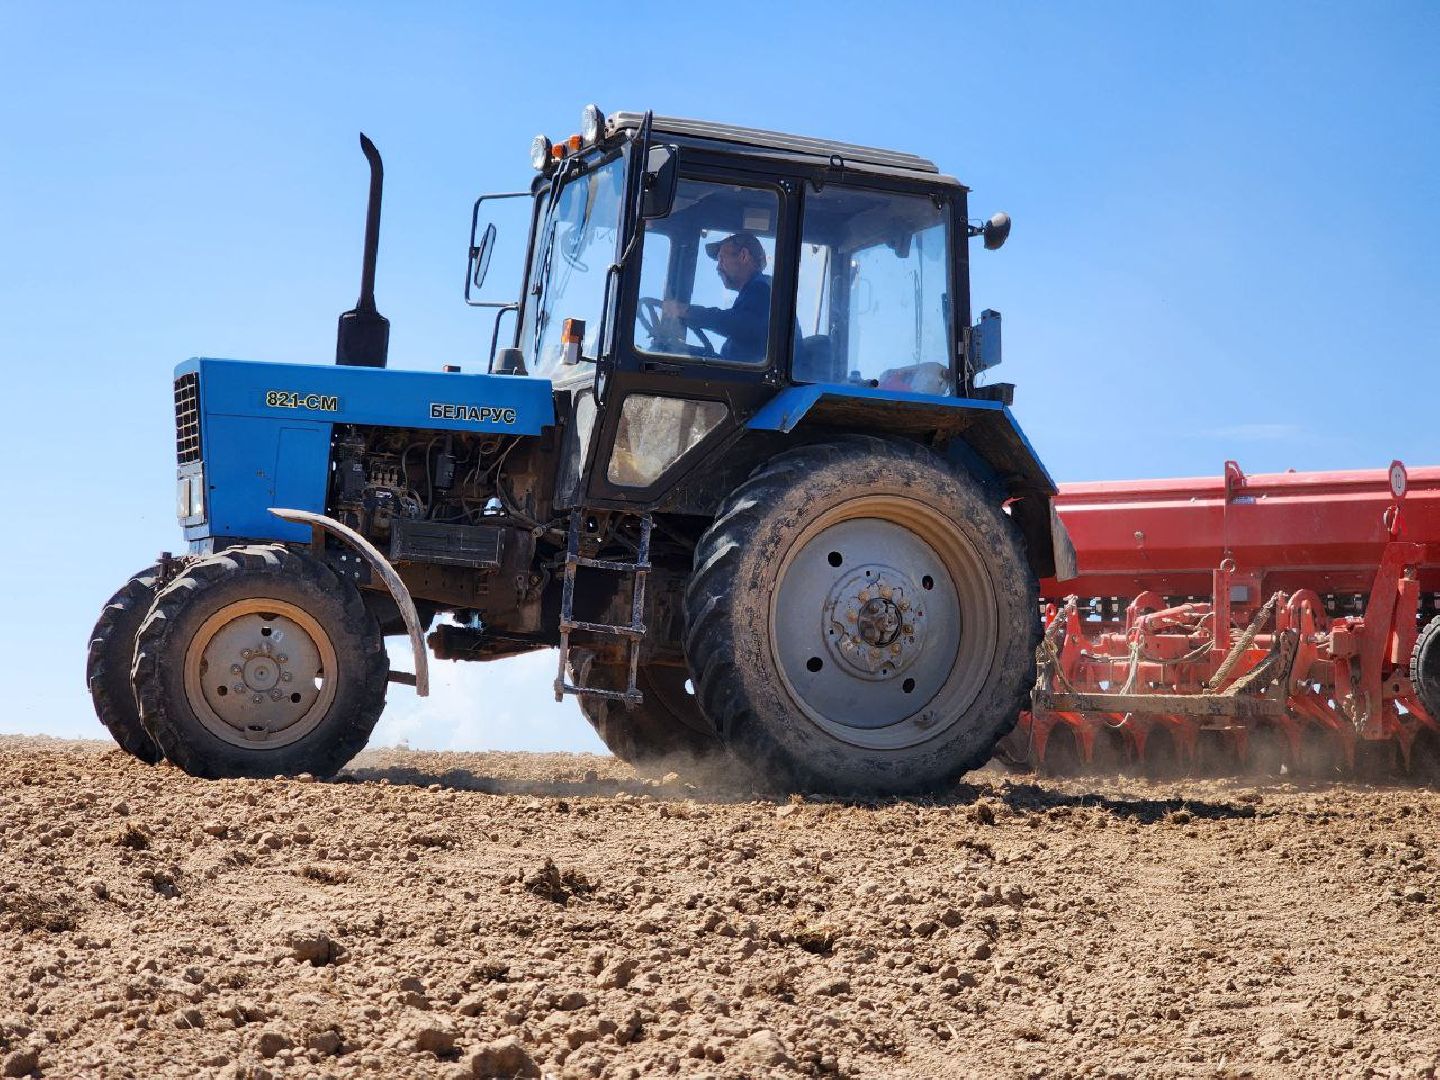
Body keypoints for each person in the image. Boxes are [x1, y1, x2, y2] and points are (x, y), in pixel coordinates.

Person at [662, 232, 771, 362]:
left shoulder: (763, 288)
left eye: (721, 259)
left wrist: (688, 312)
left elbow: (742, 324)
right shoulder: (755, 291)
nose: (718, 267)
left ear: (743, 256)